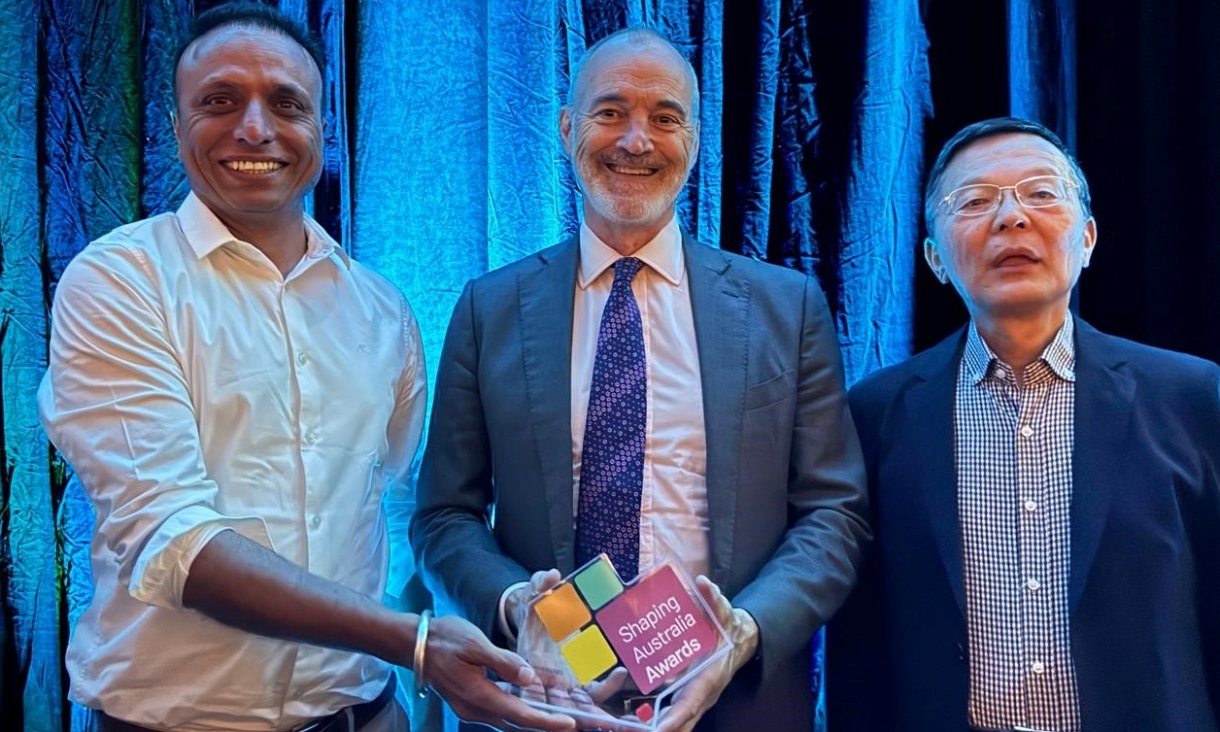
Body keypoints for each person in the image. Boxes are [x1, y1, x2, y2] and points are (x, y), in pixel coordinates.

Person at [37, 3, 576, 731]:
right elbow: (174, 541)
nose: (254, 128)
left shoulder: (382, 311)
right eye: (219, 101)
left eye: (287, 104)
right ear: (174, 128)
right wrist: (414, 643)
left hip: (364, 715)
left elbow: (379, 493)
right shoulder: (119, 282)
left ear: (324, 132)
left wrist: (518, 604)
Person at [410, 27, 870, 732]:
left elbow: (833, 513)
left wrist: (744, 630)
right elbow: (444, 516)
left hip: (738, 702)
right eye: (610, 112)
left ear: (693, 137)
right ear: (568, 128)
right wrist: (516, 605)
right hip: (541, 699)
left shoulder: (785, 307)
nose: (635, 140)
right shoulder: (489, 309)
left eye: (664, 118)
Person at [826, 117, 1220, 731]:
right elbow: (860, 642)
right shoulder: (875, 414)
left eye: (1041, 192)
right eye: (974, 201)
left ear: (1087, 238)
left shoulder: (1193, 397)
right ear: (934, 258)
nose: (1011, 218)